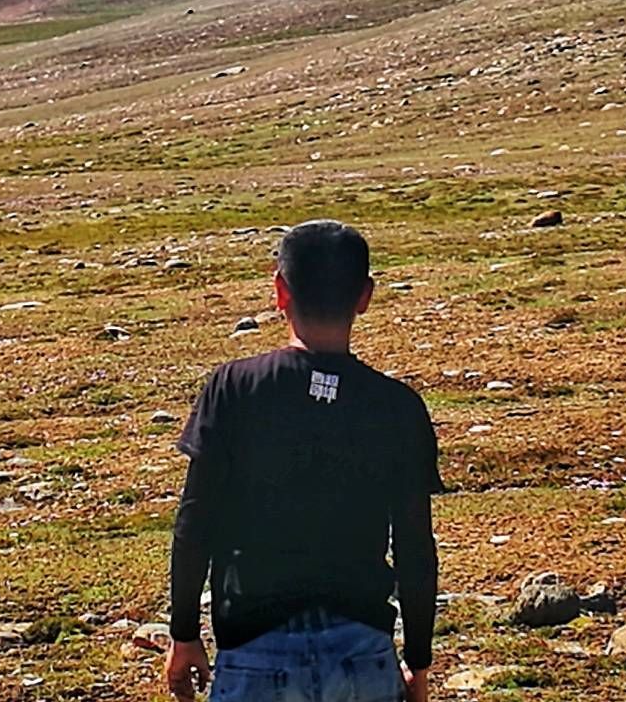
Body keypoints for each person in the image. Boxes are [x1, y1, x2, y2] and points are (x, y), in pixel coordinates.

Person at [165, 219, 441, 702]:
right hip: (362, 650)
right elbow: (416, 546)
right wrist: (417, 660)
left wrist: (184, 631)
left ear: (280, 292)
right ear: (365, 296)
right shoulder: (397, 406)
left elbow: (196, 520)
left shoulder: (234, 388)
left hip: (254, 645)